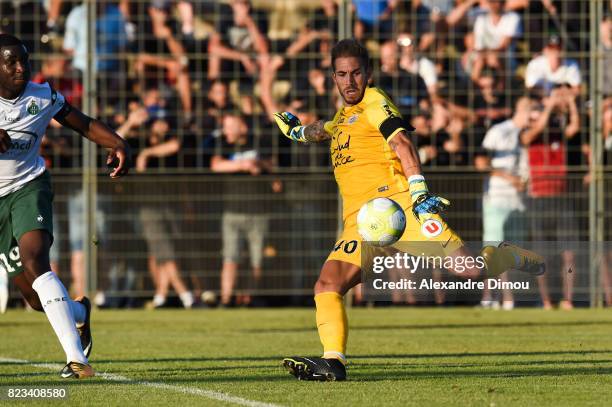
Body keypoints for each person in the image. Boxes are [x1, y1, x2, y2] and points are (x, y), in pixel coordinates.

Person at [274, 39, 545, 381]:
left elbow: (402, 142)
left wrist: (418, 191)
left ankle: (503, 256)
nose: (349, 81)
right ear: (333, 77)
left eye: (356, 73)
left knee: (469, 271)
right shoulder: (343, 117)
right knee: (327, 284)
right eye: (342, 74)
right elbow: (323, 131)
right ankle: (334, 363)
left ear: (368, 74)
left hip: (400, 207)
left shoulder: (375, 102)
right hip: (362, 222)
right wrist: (296, 130)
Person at [0, 34, 130, 378]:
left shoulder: (41, 96)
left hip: (29, 187)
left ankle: (77, 359)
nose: (20, 68)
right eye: (10, 61)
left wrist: (117, 142)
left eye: (24, 60)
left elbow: (83, 123)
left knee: (35, 258)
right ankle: (79, 314)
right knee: (32, 297)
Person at [475, 97, 532, 310]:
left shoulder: (528, 137)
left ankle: (507, 297)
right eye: (533, 112)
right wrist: (511, 179)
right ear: (524, 110)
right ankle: (493, 298)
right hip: (497, 198)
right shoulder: (499, 131)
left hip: (519, 202)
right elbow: (481, 163)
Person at [210, 113, 273, 307]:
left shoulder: (260, 142)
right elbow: (216, 165)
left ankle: (249, 299)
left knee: (257, 259)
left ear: (242, 127)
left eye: (229, 126)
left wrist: (258, 165)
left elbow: (272, 165)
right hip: (232, 211)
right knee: (230, 257)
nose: (225, 130)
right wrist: (242, 165)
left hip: (258, 211)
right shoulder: (224, 144)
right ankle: (227, 299)